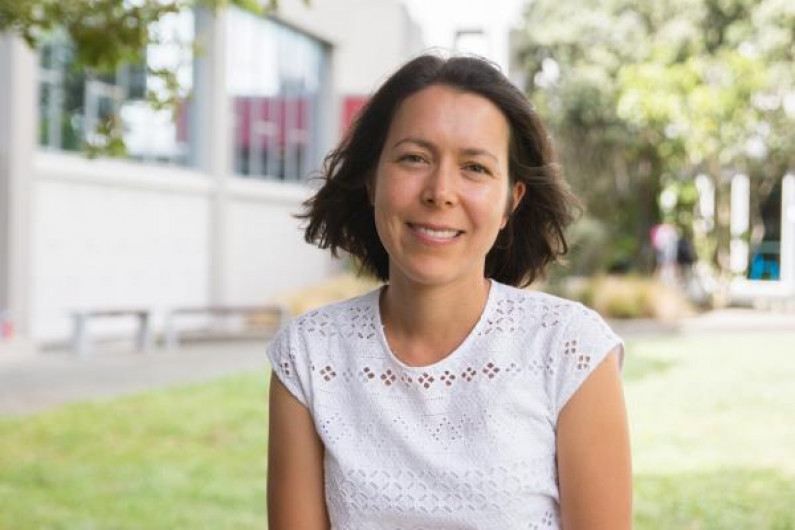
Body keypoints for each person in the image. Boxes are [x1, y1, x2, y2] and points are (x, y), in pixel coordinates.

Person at [267, 54, 632, 529]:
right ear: (372, 180)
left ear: (510, 202)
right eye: (414, 158)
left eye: (475, 168)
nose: (440, 191)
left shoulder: (570, 348)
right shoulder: (310, 356)